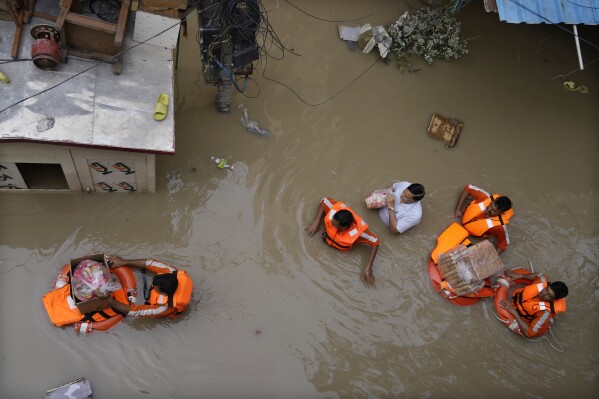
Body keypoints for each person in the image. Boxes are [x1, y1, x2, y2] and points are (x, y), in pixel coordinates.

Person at [305, 197, 380, 286]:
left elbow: (375, 242)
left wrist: (369, 266)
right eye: (332, 221)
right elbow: (324, 200)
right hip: (326, 239)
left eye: (334, 224)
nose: (331, 223)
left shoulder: (359, 234)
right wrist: (316, 222)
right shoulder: (332, 212)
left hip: (342, 251)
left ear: (344, 228)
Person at [103, 255, 193, 318]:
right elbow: (150, 263)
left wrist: (109, 300)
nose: (153, 285)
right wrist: (123, 262)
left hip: (162, 308)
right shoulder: (171, 271)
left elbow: (134, 311)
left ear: (163, 294)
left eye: (155, 287)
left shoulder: (163, 308)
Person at [498, 270, 568, 338]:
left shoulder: (545, 313)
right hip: (514, 297)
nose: (543, 294)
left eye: (549, 295)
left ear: (553, 300)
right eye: (546, 289)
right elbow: (538, 275)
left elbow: (529, 333)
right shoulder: (542, 282)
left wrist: (513, 311)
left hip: (519, 315)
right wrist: (520, 275)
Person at [454, 184, 513, 255]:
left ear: (500, 213)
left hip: (471, 236)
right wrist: (458, 208)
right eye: (491, 205)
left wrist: (490, 258)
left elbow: (503, 245)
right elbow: (468, 188)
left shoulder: (500, 226)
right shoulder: (485, 197)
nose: (489, 209)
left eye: (494, 210)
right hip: (460, 220)